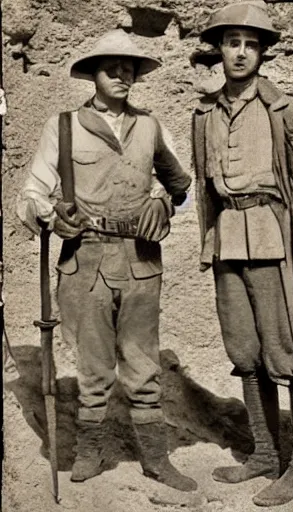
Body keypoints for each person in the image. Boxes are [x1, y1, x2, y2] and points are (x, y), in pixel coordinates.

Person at [17, 29, 197, 492]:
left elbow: (179, 182)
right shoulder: (62, 127)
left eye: (129, 68)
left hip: (140, 259)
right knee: (94, 368)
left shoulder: (151, 126)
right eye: (110, 67)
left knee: (142, 364)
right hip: (86, 260)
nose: (121, 75)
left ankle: (156, 459)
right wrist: (52, 215)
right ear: (92, 75)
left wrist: (161, 198)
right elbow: (32, 195)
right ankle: (91, 451)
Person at [192, 1, 293, 507]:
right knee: (244, 353)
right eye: (233, 43)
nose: (241, 53)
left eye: (252, 45)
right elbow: (205, 187)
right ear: (220, 49)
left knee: (290, 353)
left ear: (263, 54)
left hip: (277, 240)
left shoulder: (286, 109)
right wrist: (208, 242)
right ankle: (265, 454)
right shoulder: (204, 111)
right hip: (228, 237)